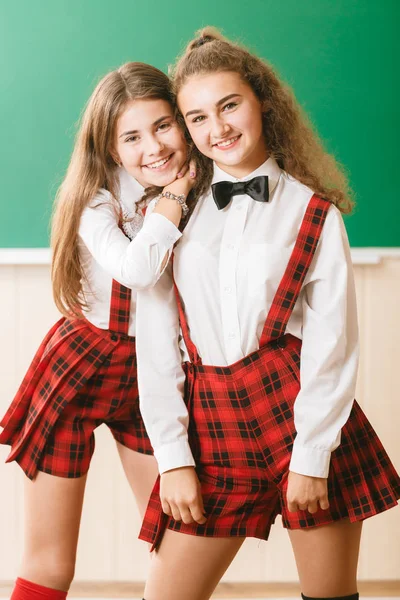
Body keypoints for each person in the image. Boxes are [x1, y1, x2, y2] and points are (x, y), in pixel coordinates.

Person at [136, 28, 400, 600]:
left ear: (262, 101)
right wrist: (173, 457)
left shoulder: (314, 212)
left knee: (329, 595)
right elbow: (156, 350)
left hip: (301, 411)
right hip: (210, 421)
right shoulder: (170, 215)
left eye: (229, 105)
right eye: (198, 117)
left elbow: (333, 345)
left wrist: (311, 455)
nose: (219, 128)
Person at [0, 61, 197, 600]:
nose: (152, 147)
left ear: (184, 123)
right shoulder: (97, 199)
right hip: (81, 363)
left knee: (177, 536)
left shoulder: (206, 187)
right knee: (51, 560)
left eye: (163, 126)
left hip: (154, 371)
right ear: (110, 149)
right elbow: (136, 269)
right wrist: (174, 198)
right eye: (130, 137)